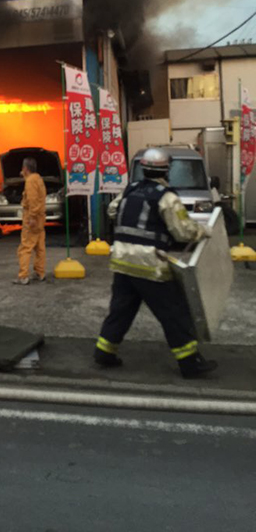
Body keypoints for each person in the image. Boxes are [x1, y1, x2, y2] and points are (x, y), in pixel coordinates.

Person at [95, 147, 217, 379]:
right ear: (166, 170)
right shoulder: (166, 197)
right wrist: (205, 230)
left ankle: (103, 352)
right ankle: (190, 364)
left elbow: (113, 210)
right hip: (150, 265)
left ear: (143, 169)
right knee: (174, 312)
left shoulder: (129, 190)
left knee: (121, 311)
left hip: (122, 262)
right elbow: (183, 231)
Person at [13, 157, 47, 285]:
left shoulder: (30, 181)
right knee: (39, 246)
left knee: (25, 247)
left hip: (32, 218)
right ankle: (40, 272)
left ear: (26, 168)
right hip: (40, 218)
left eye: (23, 168)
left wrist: (32, 217)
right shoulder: (38, 179)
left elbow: (32, 200)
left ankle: (23, 276)